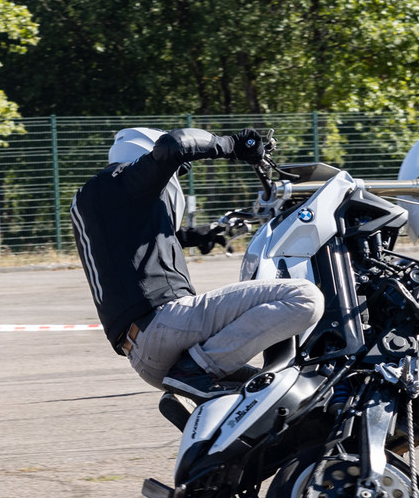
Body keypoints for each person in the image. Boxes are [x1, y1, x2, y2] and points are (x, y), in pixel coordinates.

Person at [69, 127, 324, 400]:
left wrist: (197, 235)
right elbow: (173, 146)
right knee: (304, 297)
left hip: (145, 357)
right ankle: (195, 370)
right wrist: (235, 143)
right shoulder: (123, 178)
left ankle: (201, 391)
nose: (172, 177)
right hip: (166, 322)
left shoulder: (95, 197)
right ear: (143, 151)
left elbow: (133, 245)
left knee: (271, 390)